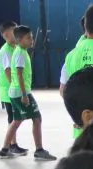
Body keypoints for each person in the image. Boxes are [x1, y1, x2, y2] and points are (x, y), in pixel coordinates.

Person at [6, 26, 56, 161]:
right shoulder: (21, 53)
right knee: (37, 118)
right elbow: (19, 74)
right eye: (28, 38)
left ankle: (5, 149)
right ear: (19, 40)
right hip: (21, 92)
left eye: (32, 37)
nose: (32, 40)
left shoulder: (19, 51)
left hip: (14, 91)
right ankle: (39, 150)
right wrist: (24, 95)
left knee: (16, 120)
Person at [0, 21, 27, 158]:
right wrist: (17, 89)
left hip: (12, 89)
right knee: (13, 118)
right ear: (6, 34)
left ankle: (13, 144)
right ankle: (9, 145)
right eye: (14, 32)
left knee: (15, 118)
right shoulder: (5, 51)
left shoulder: (14, 48)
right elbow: (9, 72)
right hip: (8, 89)